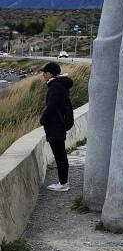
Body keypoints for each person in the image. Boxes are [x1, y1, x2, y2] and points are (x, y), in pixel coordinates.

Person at [39, 62, 74, 192]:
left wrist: (43, 119)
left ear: (51, 73)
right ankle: (63, 182)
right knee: (61, 154)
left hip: (55, 125)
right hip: (59, 124)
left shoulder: (55, 87)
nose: (43, 75)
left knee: (59, 155)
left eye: (45, 72)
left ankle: (63, 183)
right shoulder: (60, 85)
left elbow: (52, 107)